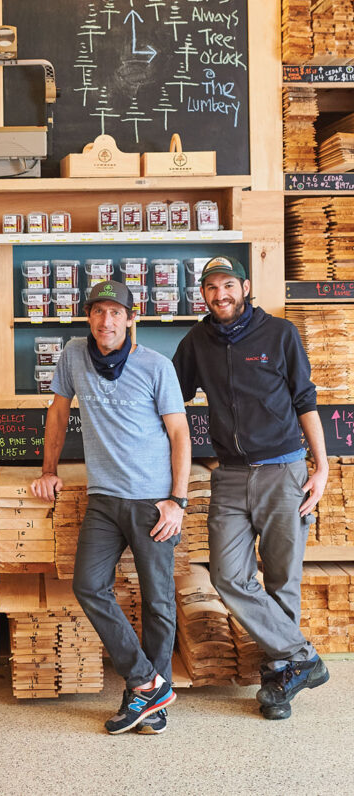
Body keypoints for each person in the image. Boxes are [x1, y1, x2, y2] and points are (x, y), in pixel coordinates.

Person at [172, 255, 329, 720]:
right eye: (210, 288)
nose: (220, 295)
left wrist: (320, 468)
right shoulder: (197, 341)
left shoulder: (279, 334)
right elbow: (168, 394)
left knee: (282, 579)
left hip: (284, 472)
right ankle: (302, 655)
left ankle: (280, 677)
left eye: (227, 285)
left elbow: (306, 400)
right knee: (227, 575)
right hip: (231, 475)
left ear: (244, 286)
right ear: (201, 294)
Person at [31, 280, 191, 735]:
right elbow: (58, 413)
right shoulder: (72, 356)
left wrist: (177, 501)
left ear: (131, 317)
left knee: (157, 599)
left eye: (116, 313)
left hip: (152, 501)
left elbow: (180, 435)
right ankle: (146, 681)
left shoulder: (156, 366)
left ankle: (149, 704)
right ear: (89, 317)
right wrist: (48, 469)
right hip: (103, 497)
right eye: (99, 312)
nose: (107, 321)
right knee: (88, 584)